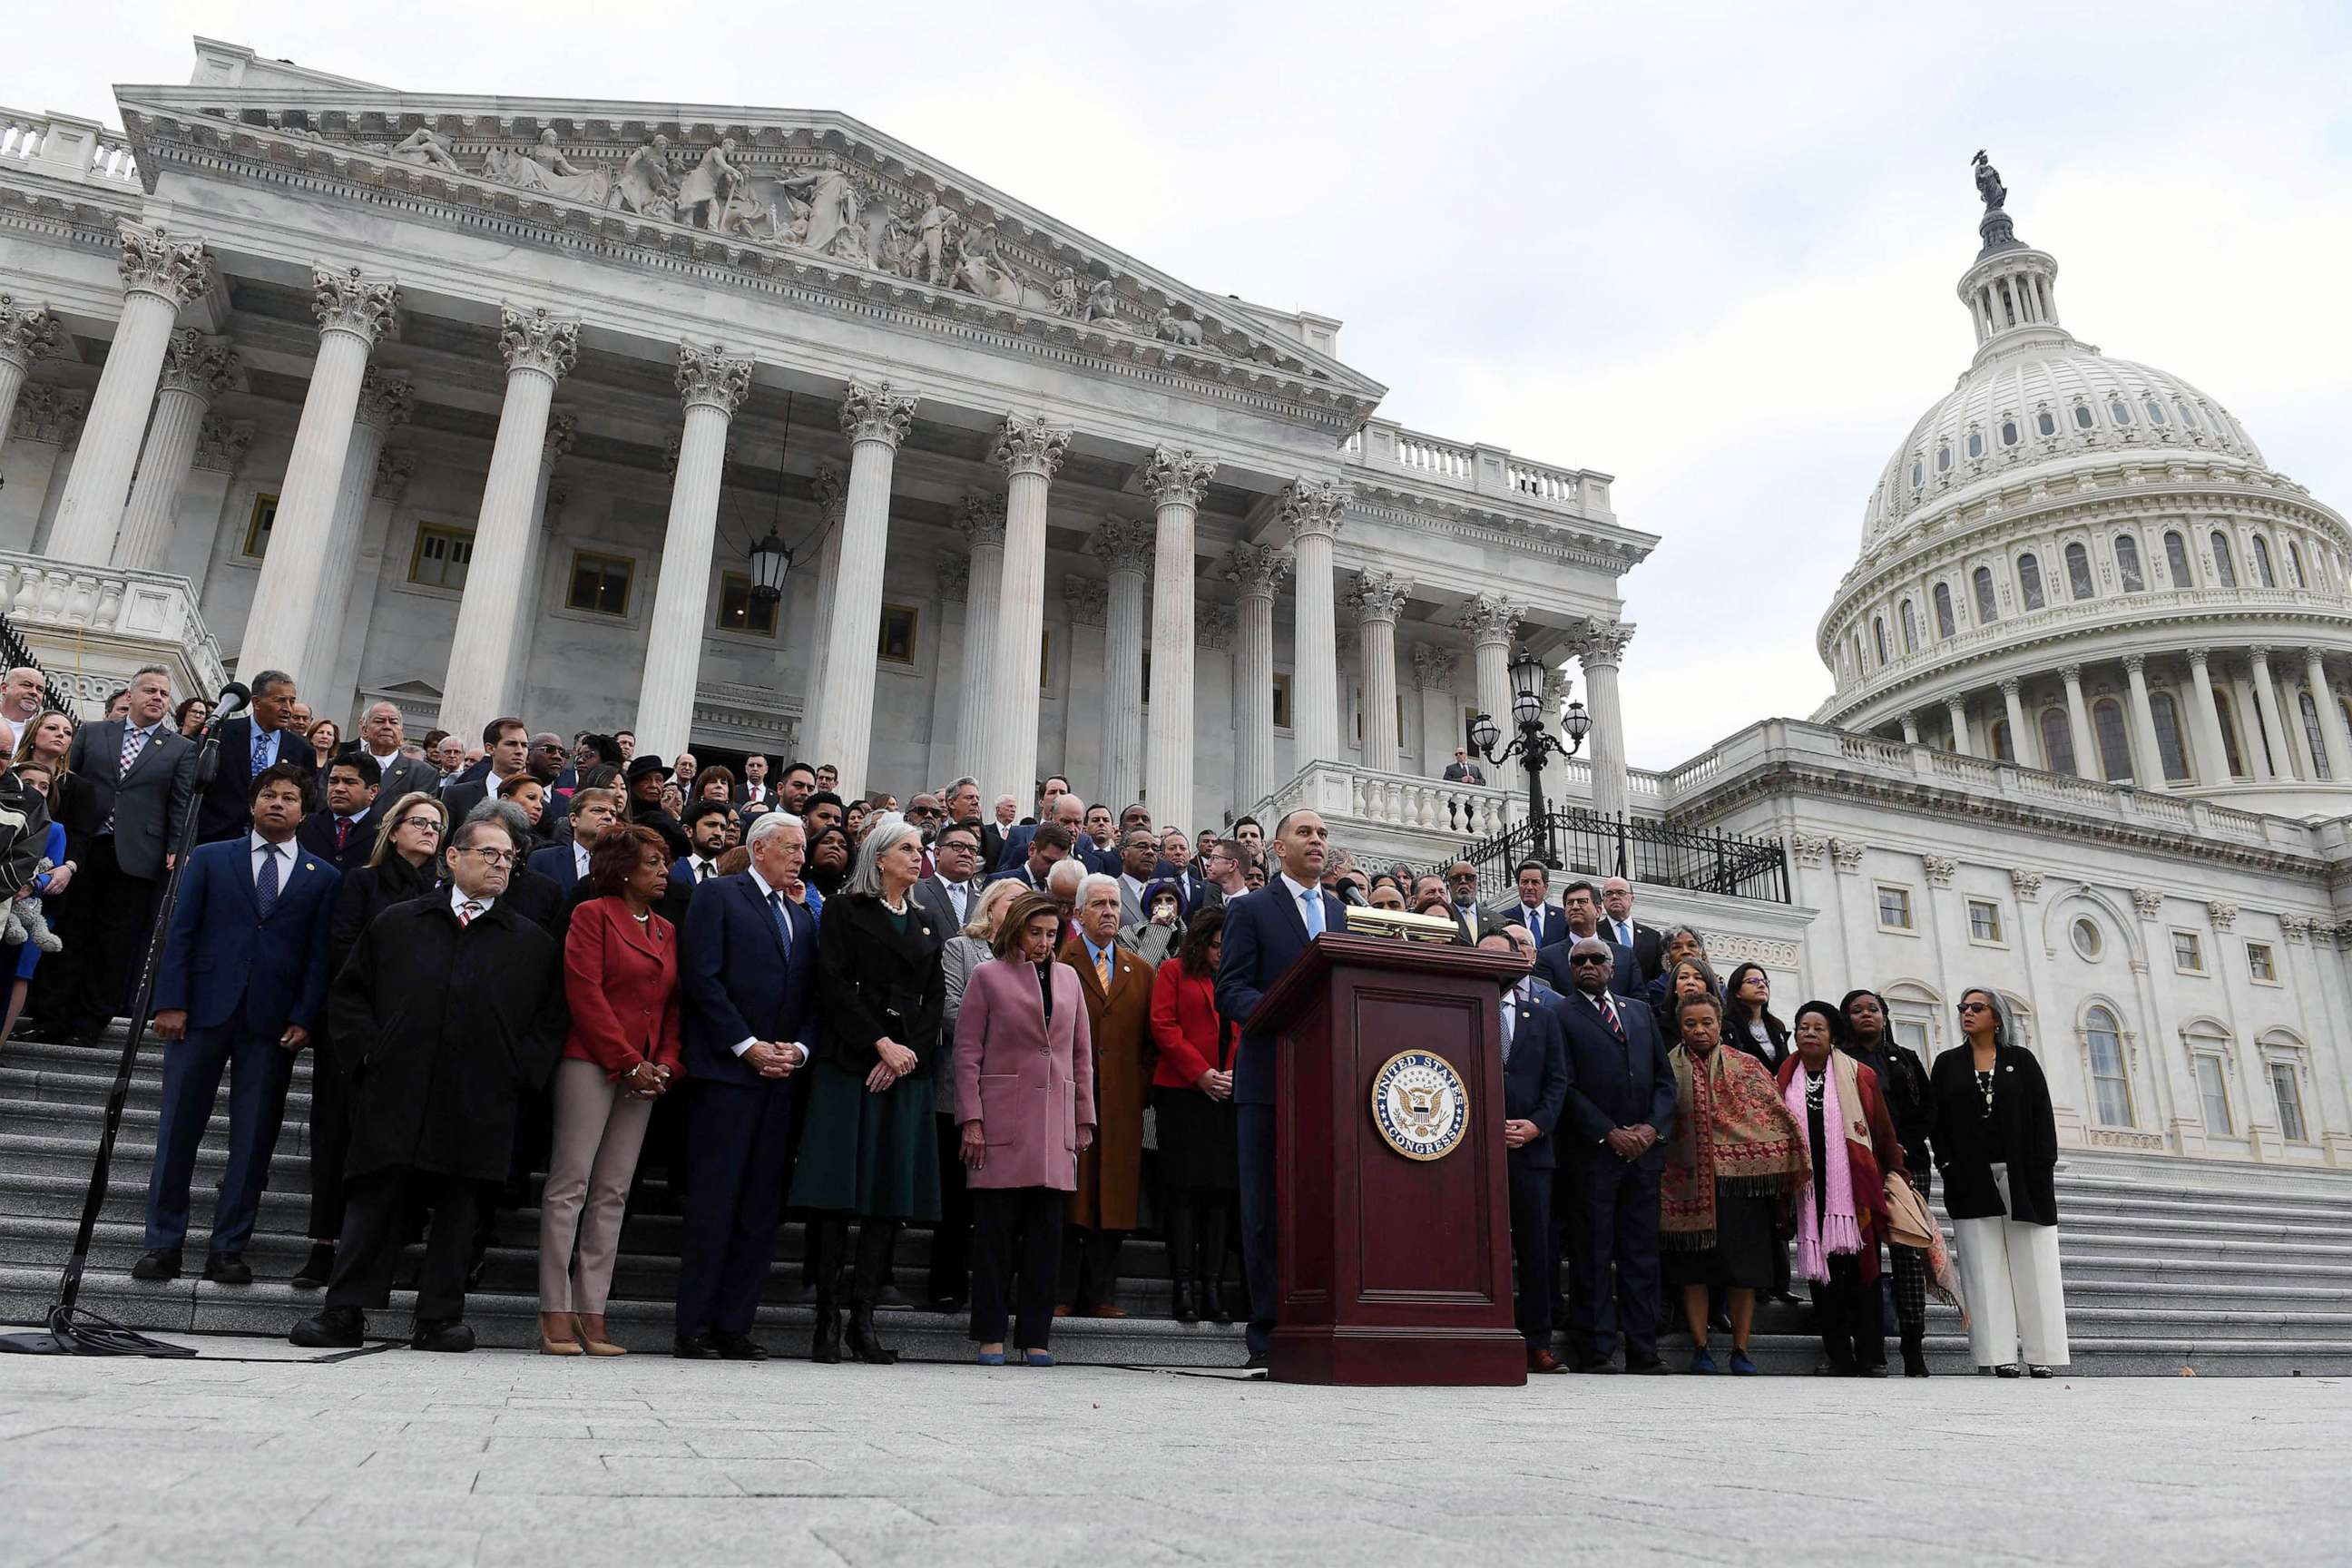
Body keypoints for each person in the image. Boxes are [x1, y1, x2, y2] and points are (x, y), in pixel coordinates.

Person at [289, 812, 565, 1351]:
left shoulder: (531, 942)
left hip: (481, 1097)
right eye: (489, 853)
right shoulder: (399, 922)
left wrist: (517, 1076)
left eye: (509, 857)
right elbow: (350, 998)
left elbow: (548, 1024)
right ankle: (345, 1310)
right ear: (453, 857)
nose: (500, 865)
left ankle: (440, 1315)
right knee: (375, 1200)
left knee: (462, 1208)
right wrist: (370, 1057)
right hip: (397, 1087)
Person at [133, 764, 338, 1285]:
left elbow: (318, 956)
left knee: (253, 1140)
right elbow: (180, 931)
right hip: (201, 1011)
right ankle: (163, 1243)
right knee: (179, 1129)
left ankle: (228, 1247)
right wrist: (169, 1001)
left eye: (289, 797)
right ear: (252, 803)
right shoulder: (209, 858)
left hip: (271, 1024)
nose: (278, 803)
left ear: (304, 810)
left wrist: (304, 1016)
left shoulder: (323, 876)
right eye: (268, 795)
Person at [789, 815, 945, 1364]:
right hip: (849, 1063)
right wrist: (878, 1044)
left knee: (886, 1197)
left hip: (904, 1073)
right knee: (835, 1195)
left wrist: (903, 1057)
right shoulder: (843, 911)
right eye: (906, 848)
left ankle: (865, 1320)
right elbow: (830, 984)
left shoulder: (928, 923)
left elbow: (932, 1005)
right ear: (879, 857)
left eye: (919, 848)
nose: (916, 856)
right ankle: (826, 1320)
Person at [675, 811, 817, 1360]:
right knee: (716, 1201)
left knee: (760, 1207)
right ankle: (695, 1326)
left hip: (780, 1082)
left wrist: (798, 1050)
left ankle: (735, 1324)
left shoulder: (801, 917)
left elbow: (810, 998)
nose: (800, 857)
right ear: (759, 849)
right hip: (726, 1076)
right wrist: (746, 1046)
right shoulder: (719, 895)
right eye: (790, 847)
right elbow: (702, 978)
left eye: (802, 848)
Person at [294, 790, 446, 1290]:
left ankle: (386, 1245)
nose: (429, 830)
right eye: (419, 822)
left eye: (437, 825)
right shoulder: (362, 881)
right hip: (356, 1033)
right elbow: (342, 949)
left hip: (417, 1041)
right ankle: (324, 1246)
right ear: (394, 829)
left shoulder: (443, 894)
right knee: (336, 1139)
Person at [540, 824, 682, 1356]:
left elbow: (669, 1005)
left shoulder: (667, 929)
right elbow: (585, 992)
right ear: (623, 868)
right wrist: (627, 1062)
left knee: (614, 1191)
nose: (664, 870)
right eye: (653, 862)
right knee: (569, 1185)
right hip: (592, 1062)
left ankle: (591, 1311)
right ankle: (555, 1309)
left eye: (665, 862)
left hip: (645, 1072)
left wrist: (665, 1063)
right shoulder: (591, 914)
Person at [1214, 808, 1346, 1369]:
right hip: (1270, 1080)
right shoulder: (1249, 909)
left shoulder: (1341, 910)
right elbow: (1231, 990)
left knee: (1323, 1202)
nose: (1316, 841)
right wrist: (1282, 1013)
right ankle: (1267, 1331)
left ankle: (1322, 1322)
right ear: (1276, 847)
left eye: (1322, 834)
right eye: (1304, 833)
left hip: (1331, 1086)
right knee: (1265, 1208)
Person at [952, 890, 1093, 1365]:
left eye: (1052, 934)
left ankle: (1036, 1338)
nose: (1044, 942)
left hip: (1056, 1125)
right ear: (1016, 929)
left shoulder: (1070, 979)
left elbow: (1081, 1055)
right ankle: (990, 1334)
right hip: (1000, 1120)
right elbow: (967, 1051)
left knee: (1046, 1240)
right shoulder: (986, 976)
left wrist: (1084, 1117)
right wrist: (970, 1118)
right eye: (1036, 932)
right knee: (994, 1236)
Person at [1661, 990, 1808, 1375]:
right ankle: (1700, 1347)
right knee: (1693, 1274)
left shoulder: (1747, 1065)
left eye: (1707, 1022)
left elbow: (1775, 1116)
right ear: (1680, 1027)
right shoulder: (1666, 1067)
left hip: (1742, 1188)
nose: (1699, 1030)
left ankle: (1741, 1349)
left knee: (1743, 1272)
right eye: (1690, 1024)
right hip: (1684, 1186)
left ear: (1720, 1023)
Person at [1553, 935, 1676, 1373]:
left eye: (1597, 958)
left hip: (1644, 1156)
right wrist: (1608, 1132)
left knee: (1641, 1255)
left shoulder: (1639, 1011)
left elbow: (1665, 1081)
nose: (1588, 965)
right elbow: (1563, 1085)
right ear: (1570, 969)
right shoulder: (1559, 1014)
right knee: (1592, 1253)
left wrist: (1650, 1128)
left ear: (1611, 965)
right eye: (1579, 959)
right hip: (1592, 1156)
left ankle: (1644, 1349)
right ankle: (1597, 1348)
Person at [1932, 986, 2067, 1377]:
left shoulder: (2021, 1062)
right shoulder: (1947, 1064)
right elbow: (1938, 1121)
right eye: (1963, 1007)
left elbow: (2042, 1116)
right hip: (1970, 1177)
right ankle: (1997, 1354)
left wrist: (2043, 1165)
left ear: (1997, 1016)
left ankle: (2043, 1354)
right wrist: (1947, 1163)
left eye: (1977, 1007)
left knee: (2035, 1264)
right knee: (1982, 1265)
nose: (1967, 1013)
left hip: (2024, 1175)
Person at [1777, 1000, 1904, 1377]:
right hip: (1808, 1192)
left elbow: (1881, 1130)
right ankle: (1837, 1355)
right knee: (1823, 1278)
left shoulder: (1858, 1075)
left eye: (1818, 1027)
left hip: (1854, 1191)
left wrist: (1895, 1171)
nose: (1809, 1033)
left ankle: (1871, 1356)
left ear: (1833, 1036)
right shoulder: (1783, 1077)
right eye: (1803, 1027)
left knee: (1863, 1275)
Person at [1465, 931, 1570, 1373]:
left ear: (1519, 964)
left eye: (1500, 957)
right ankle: (1474, 1334)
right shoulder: (1458, 1013)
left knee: (1536, 1248)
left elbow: (1558, 1080)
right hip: (1471, 1151)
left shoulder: (1541, 1017)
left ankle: (1538, 1342)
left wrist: (1536, 1126)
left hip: (1530, 1151)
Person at [1061, 871, 1154, 1318]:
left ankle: (1101, 1294)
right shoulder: (1060, 962)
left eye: (1114, 905)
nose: (1109, 912)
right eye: (1099, 904)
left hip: (1120, 1105)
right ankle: (1060, 1292)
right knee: (1070, 1197)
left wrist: (1137, 1085)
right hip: (1069, 1099)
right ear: (1079, 913)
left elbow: (1150, 1043)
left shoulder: (1141, 971)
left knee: (1113, 1197)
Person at [931, 876, 1024, 1314]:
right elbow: (949, 1009)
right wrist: (1004, 1038)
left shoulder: (1034, 959)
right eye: (1014, 902)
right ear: (990, 907)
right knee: (955, 1196)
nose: (1023, 909)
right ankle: (947, 1284)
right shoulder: (961, 949)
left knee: (1000, 1201)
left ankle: (996, 1290)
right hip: (961, 1087)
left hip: (1013, 1094)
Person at [1148, 906, 1238, 1326]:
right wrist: (1202, 1074)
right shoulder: (1173, 971)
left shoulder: (1239, 976)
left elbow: (1248, 1027)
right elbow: (1163, 1026)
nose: (1222, 953)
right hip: (1183, 1093)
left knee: (1220, 1196)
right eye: (1216, 945)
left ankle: (1214, 1288)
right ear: (1201, 942)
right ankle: (1183, 1288)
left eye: (1228, 945)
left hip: (1228, 1095)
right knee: (1183, 1193)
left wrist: (1234, 1074)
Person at [1842, 987, 1937, 1376]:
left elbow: (1927, 1109)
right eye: (1857, 1010)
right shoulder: (1842, 1062)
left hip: (1906, 1167)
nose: (1867, 1015)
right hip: (1859, 1166)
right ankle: (1869, 1343)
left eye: (1873, 1009)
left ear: (1884, 1016)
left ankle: (1913, 1346)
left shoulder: (1906, 1060)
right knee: (1862, 1254)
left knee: (1909, 1256)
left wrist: (1901, 1147)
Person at [197, 671, 314, 843]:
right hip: (213, 839)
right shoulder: (221, 734)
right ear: (256, 702)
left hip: (271, 844)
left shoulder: (302, 750)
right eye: (280, 700)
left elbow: (307, 803)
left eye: (292, 701)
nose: (288, 709)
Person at [1, 754, 71, 1045]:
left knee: (19, 975)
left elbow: (52, 870)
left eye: (43, 786)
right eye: (28, 782)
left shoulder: (55, 829)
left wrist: (32, 884)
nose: (35, 789)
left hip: (29, 910)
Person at [297, 752, 383, 876]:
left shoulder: (384, 833)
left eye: (349, 782)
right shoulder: (304, 825)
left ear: (373, 791)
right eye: (333, 781)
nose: (339, 788)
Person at [438, 717, 530, 824]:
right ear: (490, 749)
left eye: (524, 745)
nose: (520, 751)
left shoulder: (537, 800)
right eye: (511, 744)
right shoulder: (457, 795)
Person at [526, 786, 617, 895]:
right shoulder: (542, 860)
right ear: (574, 819)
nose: (608, 817)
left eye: (613, 814)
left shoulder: (623, 864)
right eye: (598, 810)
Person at [346, 701, 437, 802]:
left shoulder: (422, 773)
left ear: (401, 732)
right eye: (379, 721)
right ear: (364, 730)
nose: (387, 727)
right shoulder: (341, 765)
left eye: (393, 722)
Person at [912, 817, 981, 936]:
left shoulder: (984, 900)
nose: (966, 854)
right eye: (958, 846)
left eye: (973, 849)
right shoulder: (914, 889)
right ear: (937, 853)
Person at [622, 753, 691, 861]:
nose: (654, 785)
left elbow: (686, 849)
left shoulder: (666, 819)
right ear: (633, 785)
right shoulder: (622, 815)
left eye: (659, 780)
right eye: (646, 780)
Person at [1720, 962, 1788, 1070]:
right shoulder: (1727, 1026)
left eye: (1765, 982)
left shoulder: (1777, 1025)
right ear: (1737, 992)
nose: (1762, 985)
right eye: (1753, 981)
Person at [1598, 877, 1665, 983]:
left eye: (1621, 892)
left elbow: (1659, 974)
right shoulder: (1595, 932)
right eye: (1609, 893)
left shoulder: (1652, 937)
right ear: (1603, 900)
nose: (1615, 897)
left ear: (1632, 899)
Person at [988, 820, 1071, 892]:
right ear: (1032, 849)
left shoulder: (1062, 891)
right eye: (1048, 861)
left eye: (1059, 864)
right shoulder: (999, 883)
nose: (1053, 869)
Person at [1122, 877, 1187, 968]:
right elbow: (1140, 972)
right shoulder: (1127, 935)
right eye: (1157, 901)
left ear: (1179, 906)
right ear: (1149, 907)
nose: (1163, 905)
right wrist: (1157, 928)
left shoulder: (1190, 937)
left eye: (1169, 900)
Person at [1501, 859, 1567, 947]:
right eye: (1524, 882)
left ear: (1545, 887)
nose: (1529, 887)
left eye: (1535, 882)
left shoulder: (1562, 917)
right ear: (1518, 886)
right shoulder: (1504, 919)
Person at [673, 799, 731, 886]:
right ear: (688, 831)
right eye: (711, 825)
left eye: (723, 828)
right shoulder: (671, 868)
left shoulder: (731, 873)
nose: (718, 833)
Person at [0, 666, 44, 754]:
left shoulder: (40, 734)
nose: (34, 692)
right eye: (27, 685)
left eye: (39, 690)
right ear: (4, 688)